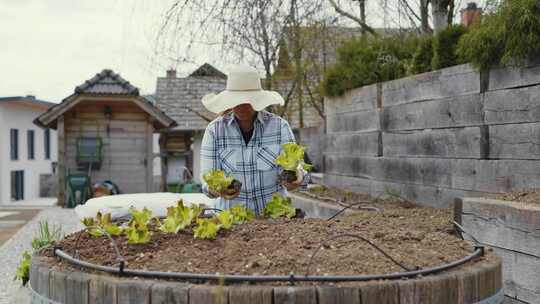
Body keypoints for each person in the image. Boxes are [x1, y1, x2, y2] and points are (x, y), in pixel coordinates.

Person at [200, 65, 309, 214]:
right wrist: (218, 189)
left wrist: (297, 179)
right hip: (231, 223)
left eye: (248, 100)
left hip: (275, 221)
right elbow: (207, 183)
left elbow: (299, 172)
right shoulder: (215, 131)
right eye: (237, 100)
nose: (242, 105)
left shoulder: (279, 126)